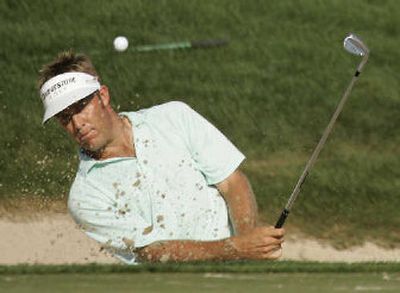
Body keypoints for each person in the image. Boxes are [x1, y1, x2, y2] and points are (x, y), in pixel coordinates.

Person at [37, 51, 285, 264]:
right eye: (64, 116)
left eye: (81, 106)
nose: (77, 123)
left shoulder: (173, 117)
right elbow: (152, 252)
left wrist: (249, 246)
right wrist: (238, 249)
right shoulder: (85, 197)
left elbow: (232, 182)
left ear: (102, 96)